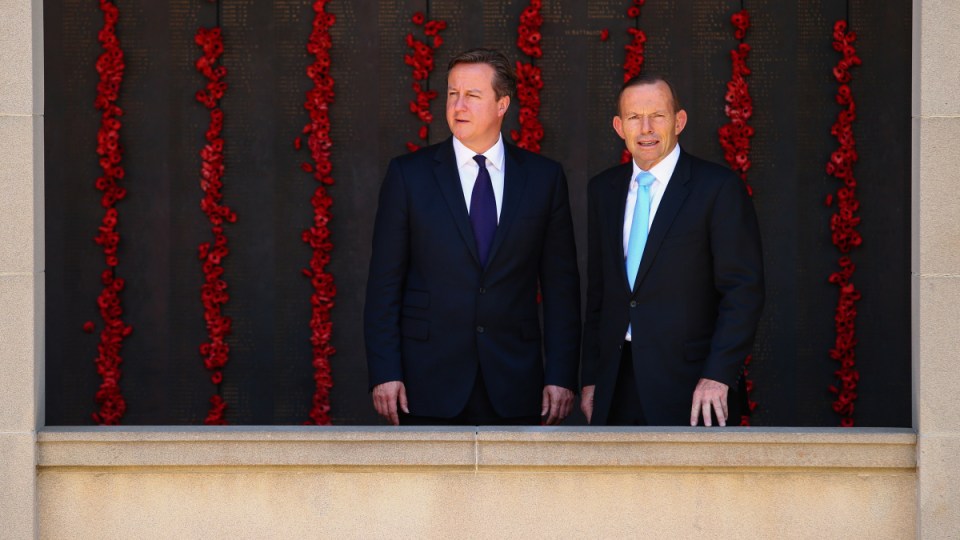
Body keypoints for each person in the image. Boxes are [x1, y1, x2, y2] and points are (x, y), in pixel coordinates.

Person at [364, 48, 581, 426]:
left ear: (502, 104)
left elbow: (561, 287)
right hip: (426, 383)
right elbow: (384, 285)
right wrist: (386, 372)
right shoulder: (408, 176)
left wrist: (560, 376)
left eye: (472, 95)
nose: (458, 105)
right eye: (452, 94)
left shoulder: (543, 179)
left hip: (516, 382)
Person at [580, 75, 764, 427]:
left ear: (679, 121)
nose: (646, 128)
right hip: (616, 385)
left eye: (657, 116)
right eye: (634, 117)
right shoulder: (603, 190)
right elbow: (600, 295)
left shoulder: (717, 188)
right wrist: (592, 378)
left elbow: (743, 292)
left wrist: (718, 375)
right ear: (620, 127)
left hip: (694, 388)